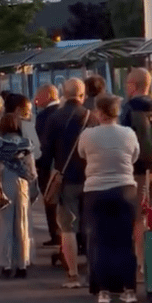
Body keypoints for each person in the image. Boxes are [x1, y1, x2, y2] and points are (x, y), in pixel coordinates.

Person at [78, 93, 140, 303]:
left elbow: (82, 154)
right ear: (117, 112)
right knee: (125, 241)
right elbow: (135, 156)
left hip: (96, 190)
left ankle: (103, 290)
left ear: (99, 112)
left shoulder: (88, 135)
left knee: (100, 240)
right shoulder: (128, 133)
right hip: (125, 189)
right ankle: (129, 289)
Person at [40, 78, 98, 288]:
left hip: (66, 178)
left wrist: (47, 175)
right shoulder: (92, 118)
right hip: (91, 177)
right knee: (90, 226)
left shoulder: (55, 117)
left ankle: (72, 274)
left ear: (64, 94)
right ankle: (94, 270)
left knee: (68, 228)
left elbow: (46, 153)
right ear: (82, 96)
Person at [120, 67, 152, 275]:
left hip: (138, 170)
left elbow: (124, 142)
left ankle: (143, 263)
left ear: (133, 85)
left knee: (139, 218)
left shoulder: (129, 108)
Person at [0, 114, 38, 278]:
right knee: (22, 223)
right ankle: (22, 263)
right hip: (21, 183)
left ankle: (5, 264)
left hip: (1, 183)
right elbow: (31, 169)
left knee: (3, 224)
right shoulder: (25, 144)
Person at [34, 84, 61, 247]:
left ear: (48, 96)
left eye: (39, 95)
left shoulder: (44, 116)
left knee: (50, 201)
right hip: (66, 165)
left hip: (48, 166)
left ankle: (55, 234)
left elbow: (40, 143)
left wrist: (39, 164)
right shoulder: (64, 111)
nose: (36, 99)